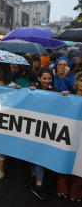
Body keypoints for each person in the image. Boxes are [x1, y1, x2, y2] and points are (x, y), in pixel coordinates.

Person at [29, 68, 68, 200]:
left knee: (41, 155)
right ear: (39, 78)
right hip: (32, 128)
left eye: (49, 78)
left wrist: (65, 97)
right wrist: (25, 91)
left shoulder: (56, 91)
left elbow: (63, 105)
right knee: (31, 154)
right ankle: (34, 176)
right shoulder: (32, 90)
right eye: (44, 78)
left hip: (46, 129)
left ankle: (38, 186)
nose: (47, 81)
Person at [56, 71, 82, 202]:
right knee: (66, 161)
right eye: (81, 80)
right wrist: (64, 98)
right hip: (69, 135)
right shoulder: (69, 96)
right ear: (76, 83)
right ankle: (63, 190)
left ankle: (76, 193)